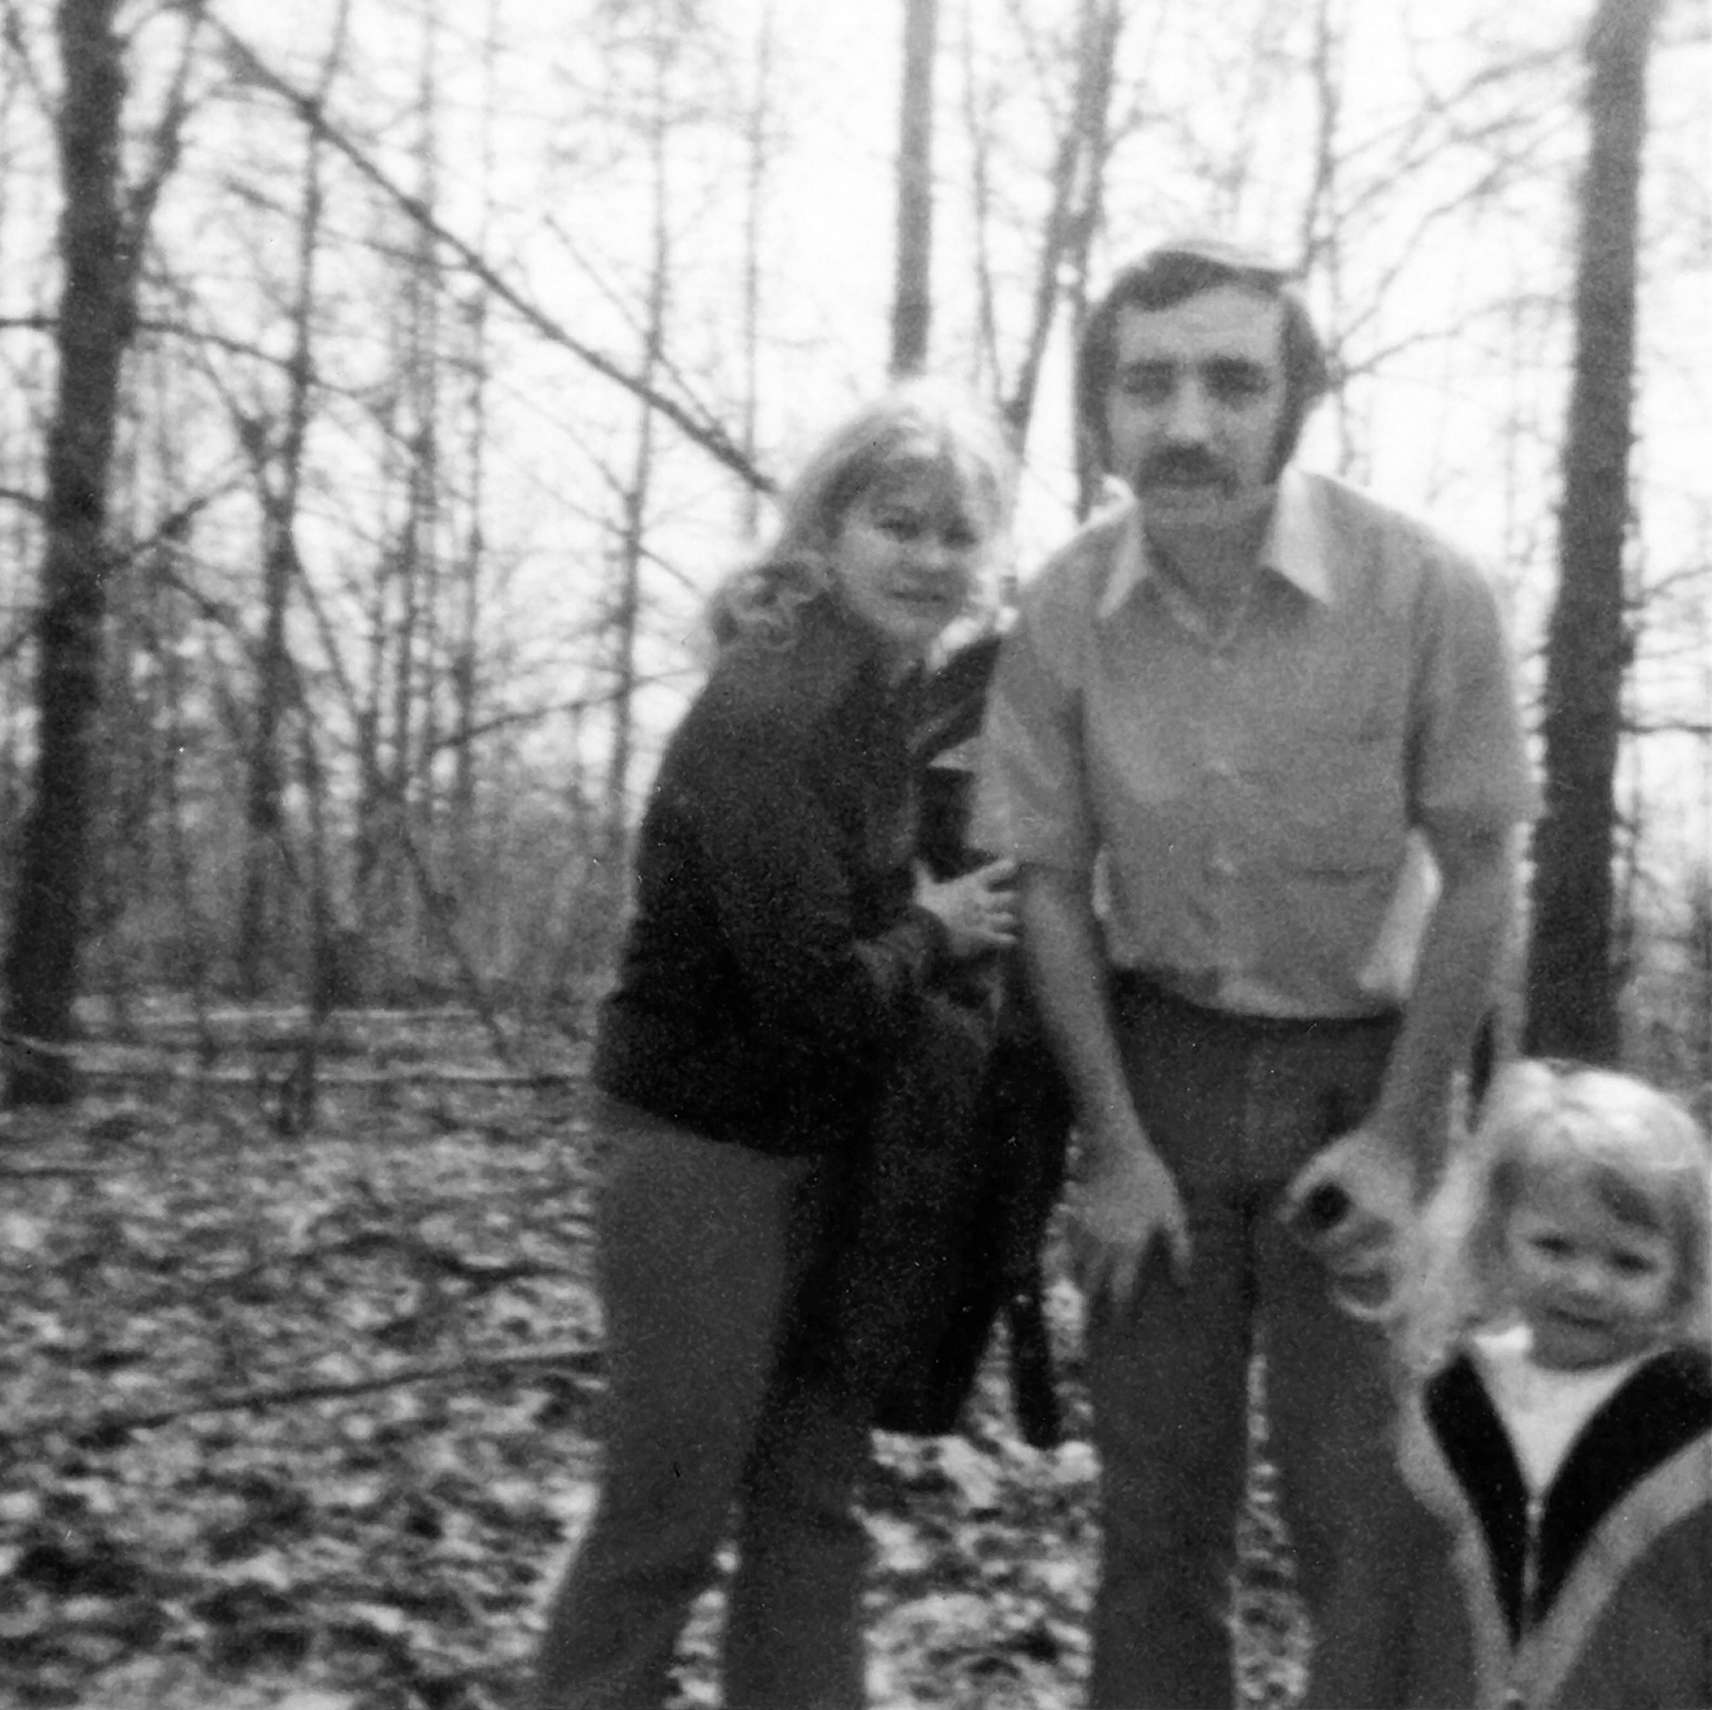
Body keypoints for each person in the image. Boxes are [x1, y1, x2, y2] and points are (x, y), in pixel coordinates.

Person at [975, 237, 1537, 1708]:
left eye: (1233, 382)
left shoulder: (1423, 588)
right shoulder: (1062, 609)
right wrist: (1111, 1143)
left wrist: (1404, 1140)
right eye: (1147, 384)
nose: (1188, 424)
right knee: (1155, 1519)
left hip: (1369, 1071)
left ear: (1293, 405)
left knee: (1367, 1517)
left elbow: (1482, 870)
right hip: (1154, 1068)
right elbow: (1046, 885)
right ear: (1100, 412)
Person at [527, 381, 1021, 1710]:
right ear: (826, 528)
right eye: (896, 523)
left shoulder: (891, 696)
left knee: (813, 1503)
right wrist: (933, 929)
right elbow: (809, 998)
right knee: (665, 1512)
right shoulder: (772, 705)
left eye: (956, 532)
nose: (927, 557)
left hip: (842, 1147)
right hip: (702, 1148)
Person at [1389, 1059, 1712, 1710]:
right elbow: (1374, 1615)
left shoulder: (1695, 1433)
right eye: (1555, 1246)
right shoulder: (1448, 1413)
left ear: (1680, 1279)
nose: (1587, 1284)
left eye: (1629, 1262)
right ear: (1497, 1241)